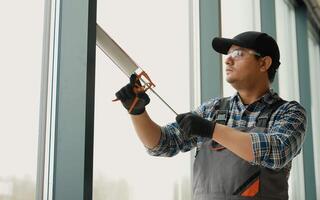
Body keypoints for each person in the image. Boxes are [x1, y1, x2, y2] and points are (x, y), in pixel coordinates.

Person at [115, 31, 307, 200]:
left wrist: (211, 129)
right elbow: (164, 144)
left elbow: (277, 152)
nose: (227, 60)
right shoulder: (212, 110)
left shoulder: (288, 112)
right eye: (228, 54)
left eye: (238, 54)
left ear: (264, 63)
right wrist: (137, 112)